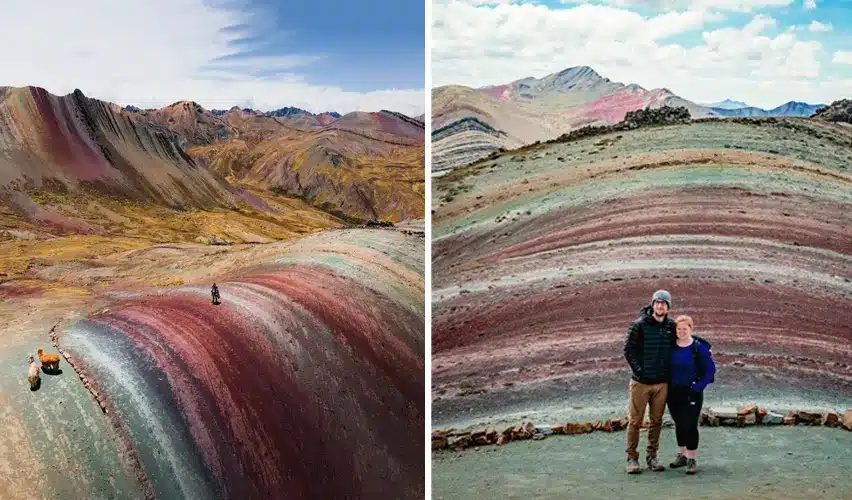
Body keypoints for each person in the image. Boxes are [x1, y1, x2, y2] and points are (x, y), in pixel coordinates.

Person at [623, 289, 676, 474]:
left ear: (668, 307)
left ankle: (652, 457)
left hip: (661, 384)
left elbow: (685, 339)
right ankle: (631, 458)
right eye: (657, 302)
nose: (660, 306)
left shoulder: (671, 326)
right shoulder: (639, 325)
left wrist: (704, 347)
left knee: (656, 421)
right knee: (635, 421)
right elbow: (628, 350)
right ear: (653, 305)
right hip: (640, 383)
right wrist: (639, 371)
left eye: (664, 303)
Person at [667, 315, 715, 474]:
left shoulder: (697, 348)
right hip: (673, 392)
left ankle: (691, 458)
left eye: (684, 329)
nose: (681, 331)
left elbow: (710, 370)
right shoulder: (671, 346)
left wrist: (698, 386)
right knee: (679, 423)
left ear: (690, 329)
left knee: (690, 424)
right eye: (678, 329)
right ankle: (681, 455)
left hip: (692, 392)